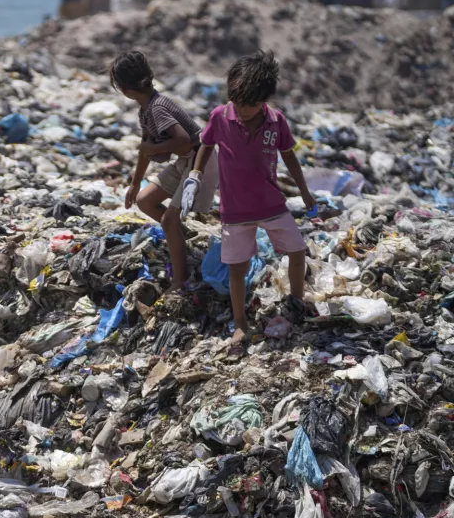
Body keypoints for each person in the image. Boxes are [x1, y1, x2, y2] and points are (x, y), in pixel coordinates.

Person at [190, 50, 317, 346]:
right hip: (235, 210)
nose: (241, 110)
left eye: (248, 105)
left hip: (271, 203)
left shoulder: (276, 121)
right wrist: (195, 175)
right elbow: (205, 146)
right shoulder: (220, 116)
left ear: (263, 100)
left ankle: (295, 303)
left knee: (297, 252)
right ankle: (239, 322)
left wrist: (305, 192)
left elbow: (290, 158)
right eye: (237, 102)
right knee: (238, 267)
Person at [109, 51, 220, 291]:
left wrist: (154, 147)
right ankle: (178, 236)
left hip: (201, 161)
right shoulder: (146, 110)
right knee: (145, 200)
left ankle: (179, 282)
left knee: (169, 219)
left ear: (124, 90)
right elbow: (144, 149)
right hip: (185, 161)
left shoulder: (157, 108)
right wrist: (135, 183)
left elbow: (184, 141)